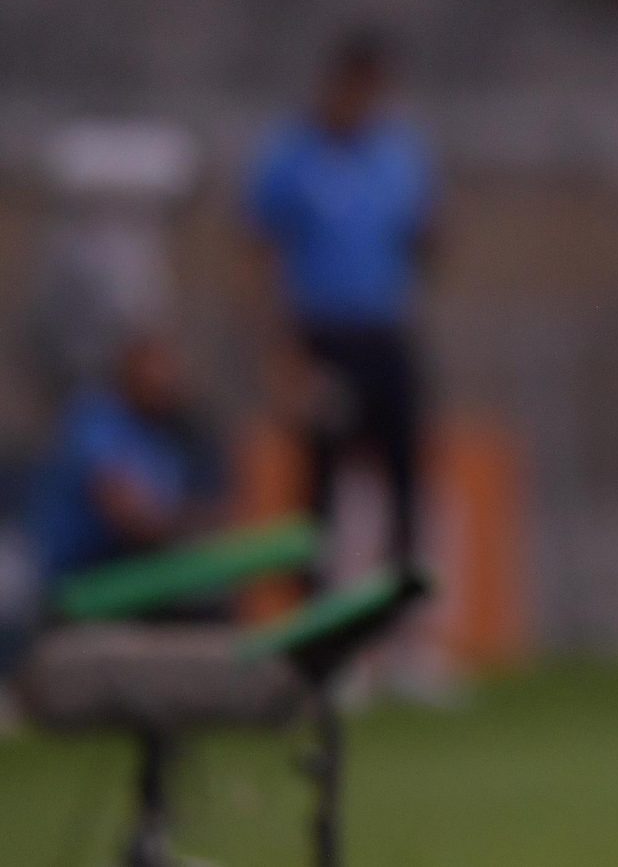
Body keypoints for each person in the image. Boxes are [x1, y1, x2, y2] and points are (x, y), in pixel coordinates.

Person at [245, 32, 437, 571]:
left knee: (403, 465)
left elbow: (421, 235)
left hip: (384, 331)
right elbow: (259, 250)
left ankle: (403, 593)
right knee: (321, 473)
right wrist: (281, 350)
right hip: (322, 335)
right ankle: (315, 593)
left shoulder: (398, 154)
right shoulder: (291, 154)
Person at [26, 328, 224, 589]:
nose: (164, 380)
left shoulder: (169, 433)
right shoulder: (95, 421)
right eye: (153, 369)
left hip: (144, 579)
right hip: (80, 583)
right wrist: (206, 527)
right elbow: (127, 513)